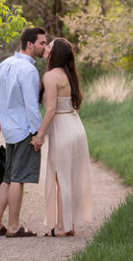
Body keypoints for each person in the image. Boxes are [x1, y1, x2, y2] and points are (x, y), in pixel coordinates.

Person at [0, 27, 47, 238]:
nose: (44, 47)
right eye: (42, 43)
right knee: (17, 179)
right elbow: (32, 106)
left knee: (7, 177)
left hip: (10, 129)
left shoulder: (4, 64)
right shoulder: (29, 70)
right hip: (24, 130)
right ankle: (13, 226)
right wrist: (38, 133)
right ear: (30, 44)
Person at [32, 38, 92, 237]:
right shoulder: (69, 74)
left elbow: (50, 111)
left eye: (49, 46)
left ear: (55, 53)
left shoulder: (50, 77)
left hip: (63, 130)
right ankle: (68, 224)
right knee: (69, 178)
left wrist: (39, 136)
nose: (46, 48)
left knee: (61, 178)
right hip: (75, 126)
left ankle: (61, 227)